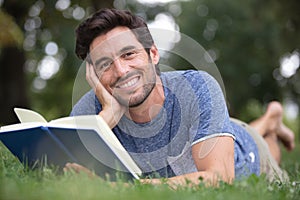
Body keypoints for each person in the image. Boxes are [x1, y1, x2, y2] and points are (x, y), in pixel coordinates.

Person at [66, 8, 295, 186]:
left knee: (264, 143)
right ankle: (270, 120)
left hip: (246, 151)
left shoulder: (197, 87)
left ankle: (270, 122)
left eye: (129, 54)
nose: (121, 71)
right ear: (93, 75)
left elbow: (220, 178)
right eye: (105, 64)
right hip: (208, 131)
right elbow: (62, 171)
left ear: (153, 54)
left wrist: (124, 189)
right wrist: (104, 121)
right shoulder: (92, 110)